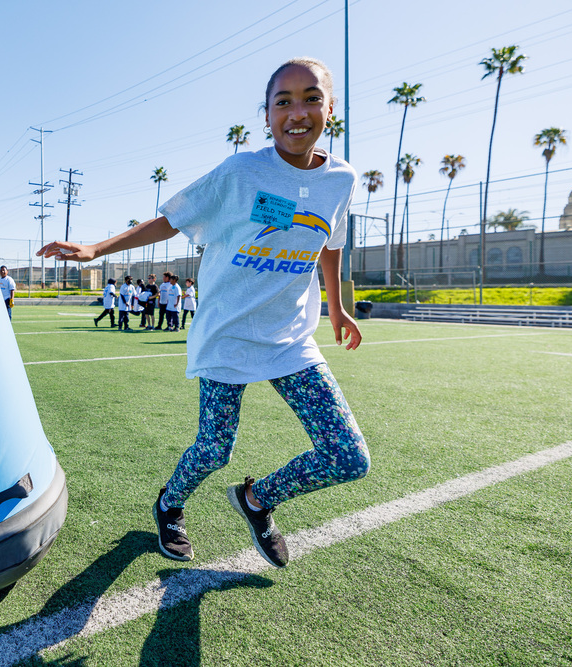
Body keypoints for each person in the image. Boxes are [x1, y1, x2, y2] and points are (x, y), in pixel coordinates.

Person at [36, 58, 370, 568]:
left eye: (310, 98)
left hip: (290, 340)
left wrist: (338, 307)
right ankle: (170, 504)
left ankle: (257, 500)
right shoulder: (241, 172)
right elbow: (172, 219)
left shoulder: (341, 179)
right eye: (283, 101)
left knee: (349, 456)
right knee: (214, 450)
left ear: (331, 108)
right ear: (266, 114)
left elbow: (331, 243)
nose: (296, 112)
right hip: (227, 335)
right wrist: (96, 249)